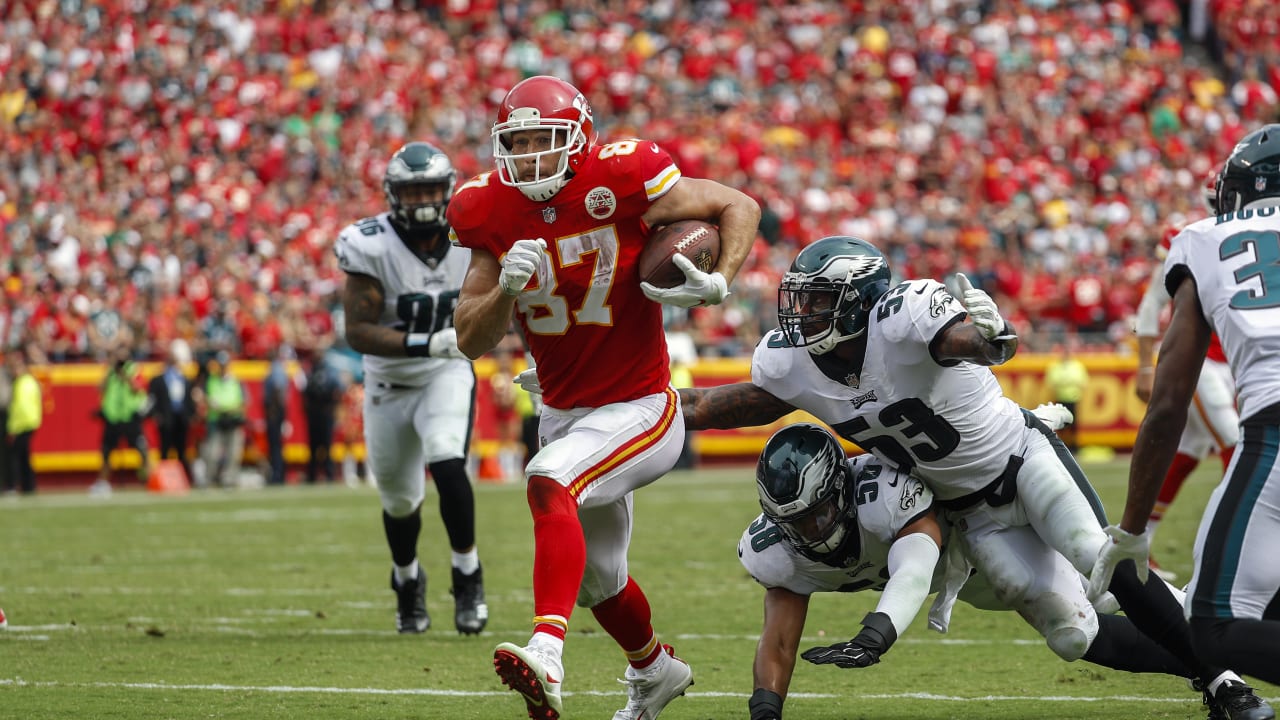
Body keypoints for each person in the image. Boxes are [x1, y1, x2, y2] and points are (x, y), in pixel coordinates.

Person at [677, 236, 1271, 719]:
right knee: (1071, 635)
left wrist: (986, 338)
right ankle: (1205, 656)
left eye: (818, 300)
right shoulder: (793, 363)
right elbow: (731, 405)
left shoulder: (902, 312)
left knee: (1101, 556)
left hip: (1020, 458)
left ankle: (1224, 680)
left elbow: (965, 341)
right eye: (800, 300)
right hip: (971, 512)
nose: (801, 313)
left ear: (859, 301)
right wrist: (645, 406)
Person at [449, 75, 760, 720]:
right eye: (520, 140)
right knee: (600, 581)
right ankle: (655, 671)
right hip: (565, 410)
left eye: (546, 139)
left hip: (642, 406)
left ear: (580, 135)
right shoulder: (487, 207)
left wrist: (719, 282)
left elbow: (739, 206)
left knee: (547, 480)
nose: (531, 155)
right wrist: (505, 291)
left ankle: (547, 649)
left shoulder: (623, 175)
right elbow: (469, 338)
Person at [742, 422, 1225, 720]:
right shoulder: (779, 550)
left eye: (818, 513)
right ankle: (1210, 663)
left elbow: (915, 562)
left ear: (842, 490)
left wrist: (877, 633)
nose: (810, 530)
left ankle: (1220, 637)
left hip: (987, 527)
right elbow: (779, 642)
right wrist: (765, 710)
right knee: (1076, 636)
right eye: (796, 522)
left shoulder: (881, 492)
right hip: (968, 580)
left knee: (1098, 596)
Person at [1090, 124, 1280, 687]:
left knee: (1214, 626)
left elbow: (1168, 403)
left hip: (1274, 426)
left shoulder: (1203, 238)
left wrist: (1131, 529)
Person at [336, 140, 487, 636]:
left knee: (447, 459)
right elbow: (357, 331)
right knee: (400, 501)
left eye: (429, 188)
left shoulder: (473, 237)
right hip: (388, 380)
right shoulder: (370, 243)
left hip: (446, 372)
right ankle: (407, 581)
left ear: (447, 190)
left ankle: (468, 575)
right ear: (392, 194)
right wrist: (428, 342)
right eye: (412, 189)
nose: (422, 199)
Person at [1134, 224, 1239, 581]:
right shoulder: (1190, 236)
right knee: (1237, 446)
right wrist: (1145, 365)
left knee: (1189, 452)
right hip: (1201, 361)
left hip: (1236, 360)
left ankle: (1139, 544)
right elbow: (1152, 301)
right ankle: (1234, 547)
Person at [92, 346, 151, 497]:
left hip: (130, 416)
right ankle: (103, 483)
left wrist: (125, 375)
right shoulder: (111, 371)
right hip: (113, 417)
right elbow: (100, 388)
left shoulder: (134, 370)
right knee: (106, 452)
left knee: (142, 450)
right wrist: (111, 370)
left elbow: (138, 388)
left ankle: (148, 479)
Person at [148, 339, 196, 486]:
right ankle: (164, 481)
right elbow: (152, 399)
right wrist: (156, 415)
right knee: (164, 450)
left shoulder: (185, 379)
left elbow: (188, 399)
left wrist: (190, 415)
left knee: (181, 451)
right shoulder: (158, 379)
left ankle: (183, 481)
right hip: (166, 419)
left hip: (181, 418)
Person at [201, 350, 247, 489]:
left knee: (233, 452)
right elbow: (206, 398)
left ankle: (229, 479)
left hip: (232, 419)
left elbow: (243, 401)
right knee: (212, 452)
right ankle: (210, 479)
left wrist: (234, 410)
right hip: (217, 420)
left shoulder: (235, 380)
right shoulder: (211, 380)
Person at [301, 351, 343, 485]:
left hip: (325, 411)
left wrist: (334, 407)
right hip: (315, 413)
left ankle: (329, 474)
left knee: (327, 444)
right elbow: (305, 392)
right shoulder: (310, 372)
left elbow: (338, 389)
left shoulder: (329, 372)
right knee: (314, 446)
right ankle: (313, 474)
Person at [4, 350, 41, 495]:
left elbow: (20, 409)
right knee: (24, 456)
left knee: (15, 456)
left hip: (23, 425)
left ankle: (14, 486)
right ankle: (28, 486)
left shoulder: (23, 383)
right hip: (29, 423)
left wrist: (13, 428)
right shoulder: (28, 381)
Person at [1043, 335, 1088, 453]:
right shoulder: (1056, 366)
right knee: (1061, 425)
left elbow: (1081, 381)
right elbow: (1052, 381)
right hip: (1060, 398)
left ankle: (1074, 445)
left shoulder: (1077, 365)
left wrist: (1063, 381)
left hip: (1073, 398)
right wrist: (1069, 381)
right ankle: (1063, 445)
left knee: (1073, 424)